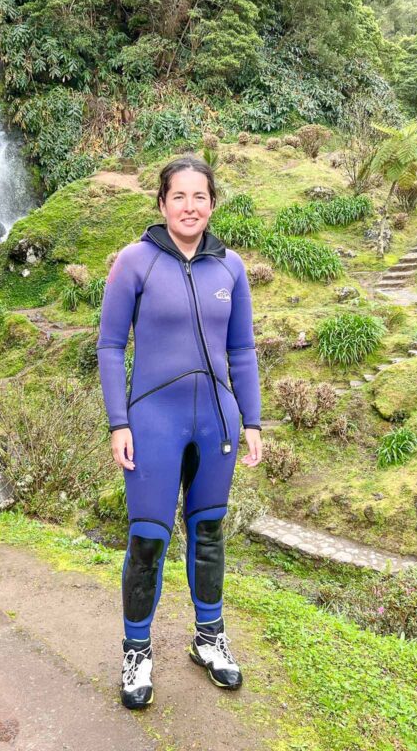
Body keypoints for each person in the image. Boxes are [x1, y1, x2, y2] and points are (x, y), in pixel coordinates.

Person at [96, 156, 263, 710]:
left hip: (216, 419)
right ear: (162, 203)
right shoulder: (133, 262)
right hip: (152, 421)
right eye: (179, 196)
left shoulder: (231, 268)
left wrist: (253, 421)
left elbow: (241, 350)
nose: (190, 207)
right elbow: (110, 346)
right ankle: (137, 651)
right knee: (148, 539)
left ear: (212, 203)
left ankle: (209, 640)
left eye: (200, 197)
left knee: (209, 532)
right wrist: (118, 422)